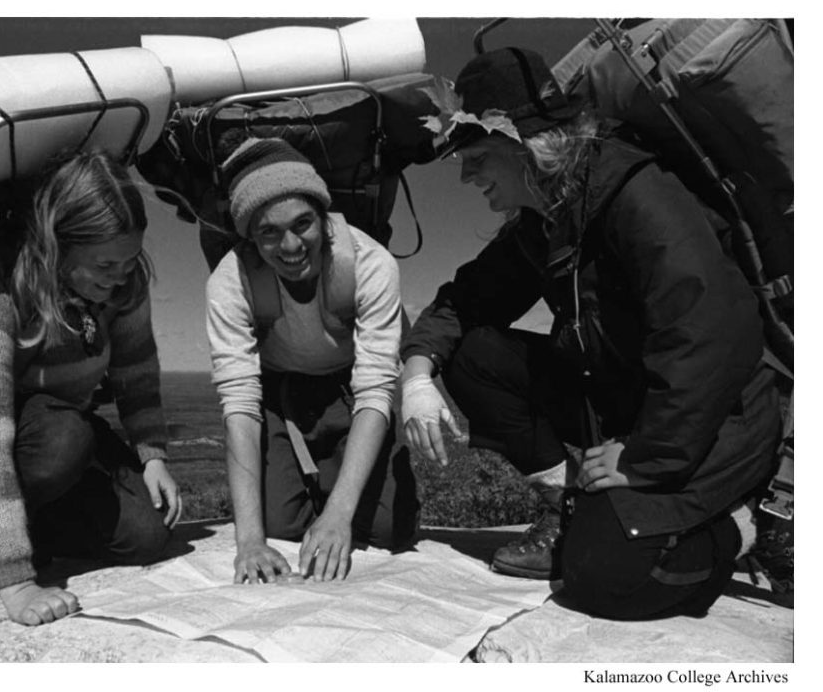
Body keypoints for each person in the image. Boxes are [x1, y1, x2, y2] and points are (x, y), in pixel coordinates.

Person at [400, 48, 780, 619]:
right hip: (629, 408)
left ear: (522, 145)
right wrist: (416, 374)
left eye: (476, 155)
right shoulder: (544, 221)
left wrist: (645, 459)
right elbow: (466, 300)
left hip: (714, 416)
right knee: (472, 354)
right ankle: (570, 508)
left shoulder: (636, 192)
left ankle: (749, 527)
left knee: (603, 577)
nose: (465, 174)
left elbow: (711, 333)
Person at [0, 149, 181, 626]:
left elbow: (135, 368)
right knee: (63, 439)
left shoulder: (122, 285)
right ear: (57, 246)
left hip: (62, 425)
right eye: (106, 265)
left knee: (146, 537)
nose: (121, 278)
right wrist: (17, 584)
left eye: (130, 260)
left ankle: (23, 525)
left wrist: (152, 455)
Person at [206, 137, 419, 584]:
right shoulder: (231, 280)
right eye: (268, 231)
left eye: (303, 223)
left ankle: (333, 490)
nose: (290, 245)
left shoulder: (370, 263)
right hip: (280, 393)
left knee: (386, 530)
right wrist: (249, 542)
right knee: (278, 530)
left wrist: (339, 515)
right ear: (249, 236)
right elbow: (241, 405)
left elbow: (377, 388)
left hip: (348, 388)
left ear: (324, 219)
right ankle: (315, 483)